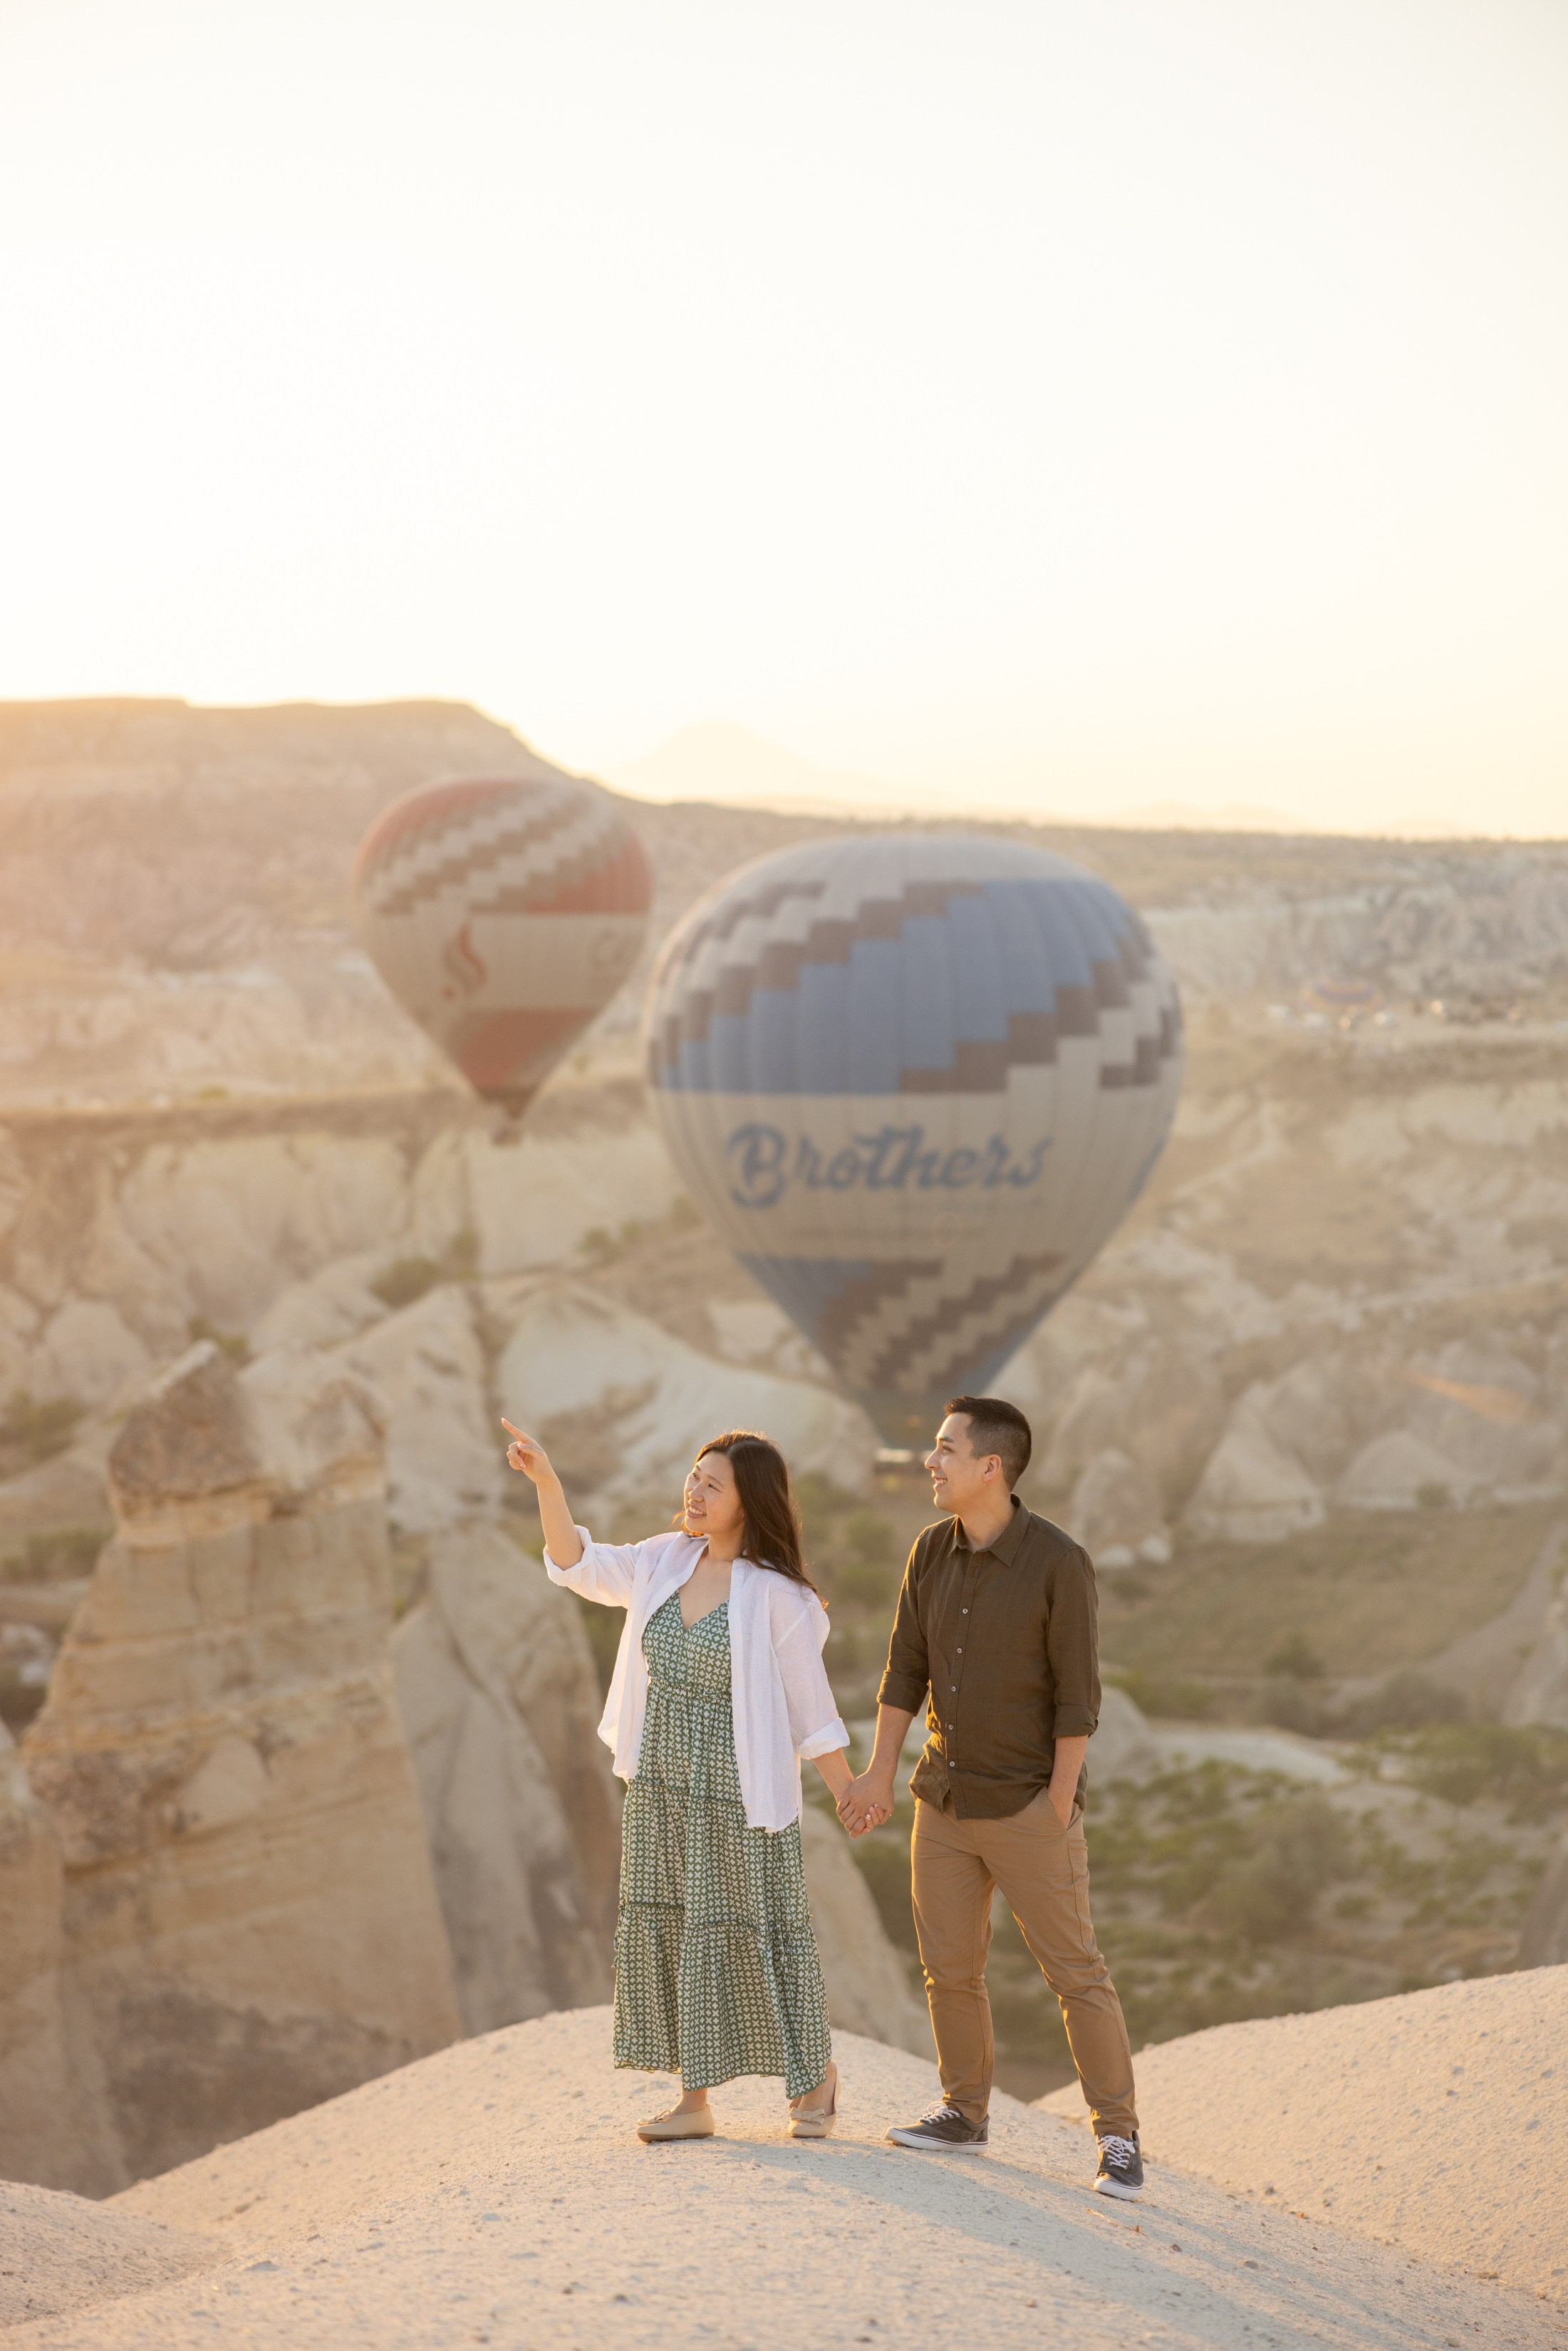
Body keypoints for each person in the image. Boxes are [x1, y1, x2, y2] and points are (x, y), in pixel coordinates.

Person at [502, 1418, 856, 2143]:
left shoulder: (778, 1596)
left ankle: (814, 2080)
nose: (694, 1492)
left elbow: (809, 1705)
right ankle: (693, 2103)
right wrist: (547, 1483)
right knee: (677, 1929)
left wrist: (848, 1787)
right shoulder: (662, 1560)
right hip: (663, 1785)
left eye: (712, 1485)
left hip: (737, 1789)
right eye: (694, 1477)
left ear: (747, 1502)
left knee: (762, 1929)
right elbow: (576, 1562)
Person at [838, 1395, 1143, 2198]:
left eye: (943, 1449)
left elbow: (1077, 1698)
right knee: (949, 1971)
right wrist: (876, 1774)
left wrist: (1055, 1806)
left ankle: (1116, 2138)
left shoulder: (1057, 1563)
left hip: (1025, 1807)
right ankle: (963, 2113)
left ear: (989, 1467)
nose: (929, 1463)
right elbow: (903, 1671)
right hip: (941, 1801)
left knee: (1075, 1973)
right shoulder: (927, 1553)